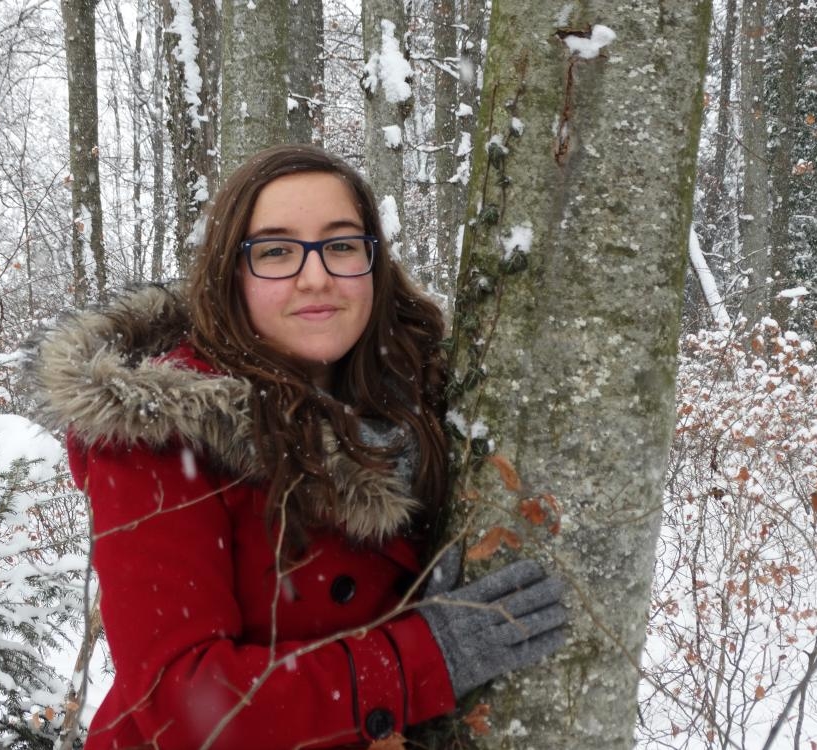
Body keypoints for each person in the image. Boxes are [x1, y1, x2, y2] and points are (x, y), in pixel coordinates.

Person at [31, 144, 566, 749]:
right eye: (276, 252)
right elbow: (181, 701)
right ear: (232, 274)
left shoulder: (428, 402)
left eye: (341, 246)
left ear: (374, 263)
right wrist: (424, 658)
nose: (316, 277)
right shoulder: (159, 432)